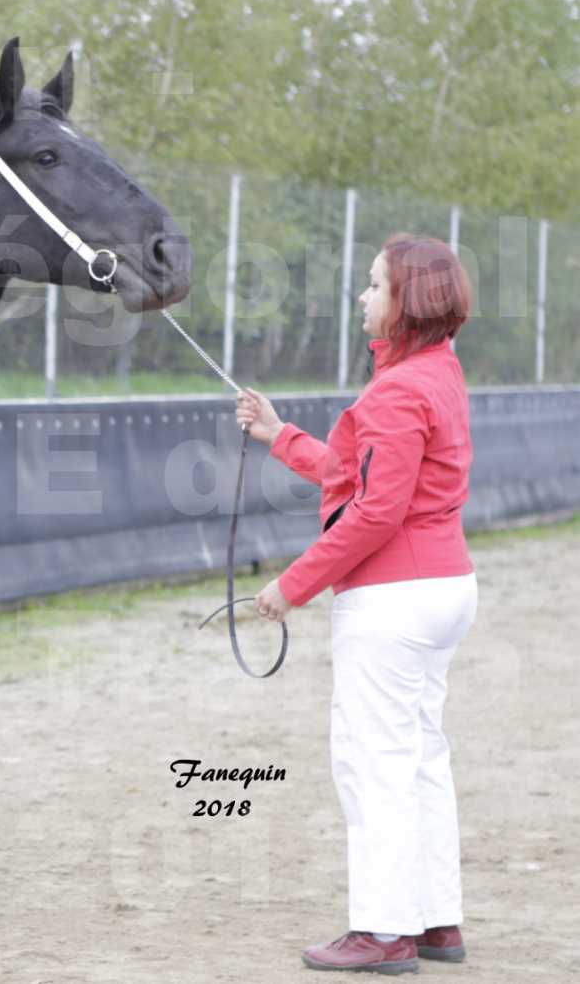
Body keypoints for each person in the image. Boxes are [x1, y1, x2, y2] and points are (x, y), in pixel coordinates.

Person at [235, 234, 477, 974]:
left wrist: (288, 587)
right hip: (440, 590)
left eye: (373, 286)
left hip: (394, 601)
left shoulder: (398, 390)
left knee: (372, 761)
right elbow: (354, 471)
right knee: (419, 757)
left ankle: (381, 930)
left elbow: (373, 513)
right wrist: (280, 436)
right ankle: (434, 921)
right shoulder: (435, 374)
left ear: (408, 300)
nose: (362, 298)